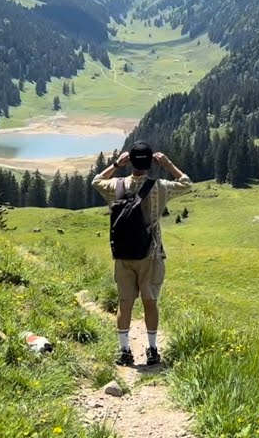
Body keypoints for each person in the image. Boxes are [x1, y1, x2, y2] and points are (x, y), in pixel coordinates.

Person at [93, 141, 192, 366]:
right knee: (150, 301)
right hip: (151, 253)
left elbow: (96, 181)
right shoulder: (159, 187)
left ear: (131, 163)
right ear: (150, 163)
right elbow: (186, 183)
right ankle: (152, 350)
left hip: (123, 254)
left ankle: (124, 351)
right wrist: (167, 164)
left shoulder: (116, 185)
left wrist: (117, 164)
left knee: (125, 302)